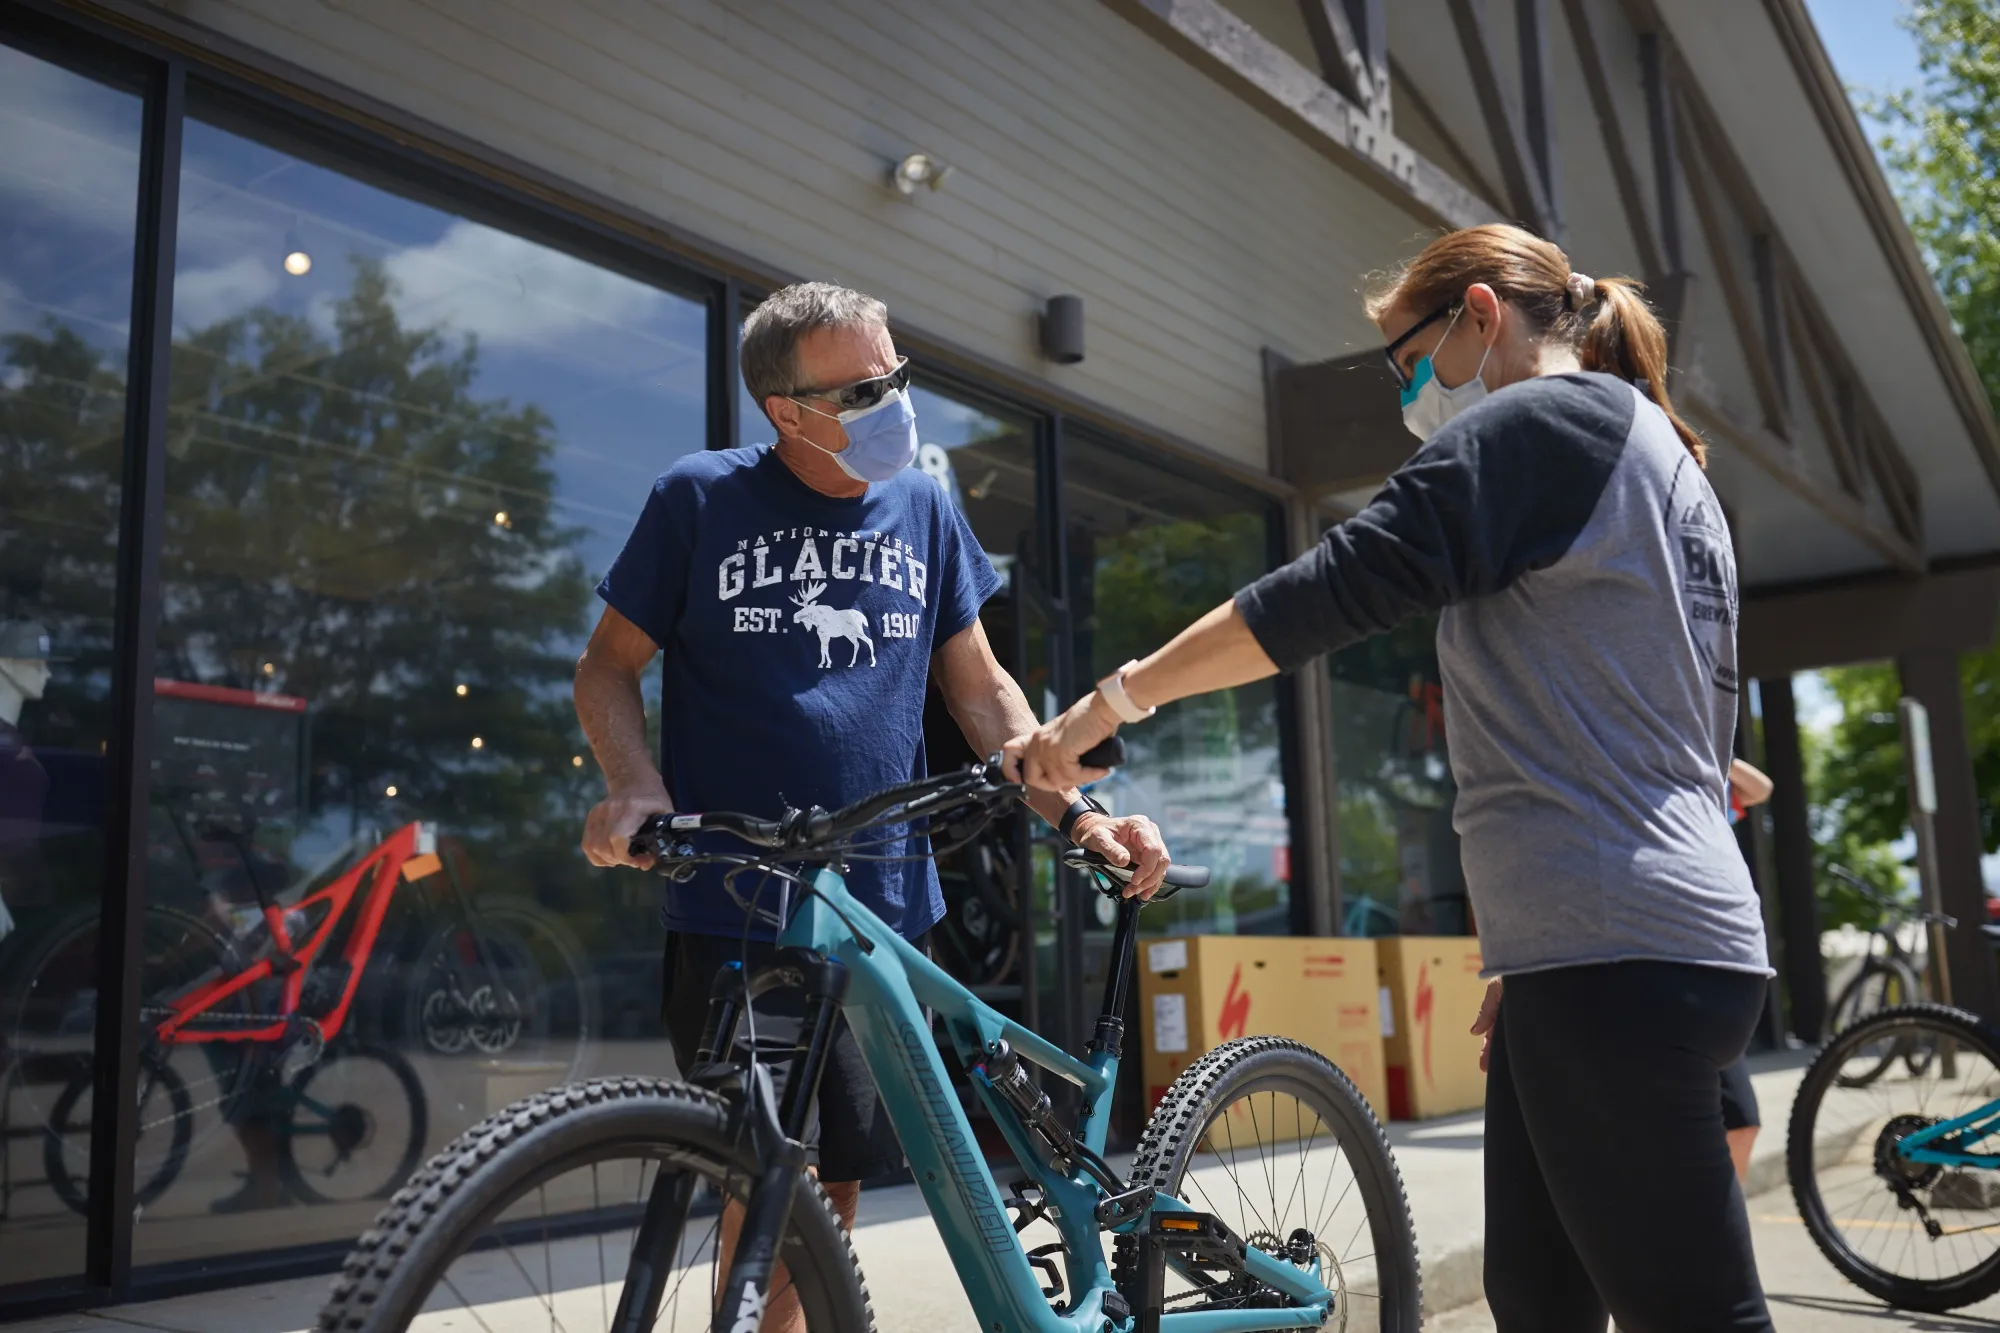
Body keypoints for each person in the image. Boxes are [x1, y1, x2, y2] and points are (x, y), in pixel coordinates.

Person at [1004, 224, 1775, 1332]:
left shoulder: (1543, 423)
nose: (1407, 392)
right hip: (1612, 941)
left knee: (1694, 1312)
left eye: (1407, 360)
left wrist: (1109, 703)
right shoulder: (1657, 454)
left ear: (1479, 314)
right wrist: (1531, 949)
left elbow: (1330, 588)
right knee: (1538, 1296)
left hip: (1614, 943)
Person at [575, 282, 1169, 1329]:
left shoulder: (925, 508)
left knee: (834, 1180)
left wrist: (1077, 814)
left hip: (884, 906)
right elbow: (606, 668)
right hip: (736, 902)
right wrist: (634, 782)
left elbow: (980, 695)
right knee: (760, 1169)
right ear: (785, 410)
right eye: (859, 390)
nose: (892, 401)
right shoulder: (699, 499)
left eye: (895, 375)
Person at [1719, 756, 1775, 1185]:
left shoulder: (1706, 779)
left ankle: (1726, 1218)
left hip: (1715, 965)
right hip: (1645, 959)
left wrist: (1715, 751)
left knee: (1742, 1120)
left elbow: (1762, 789)